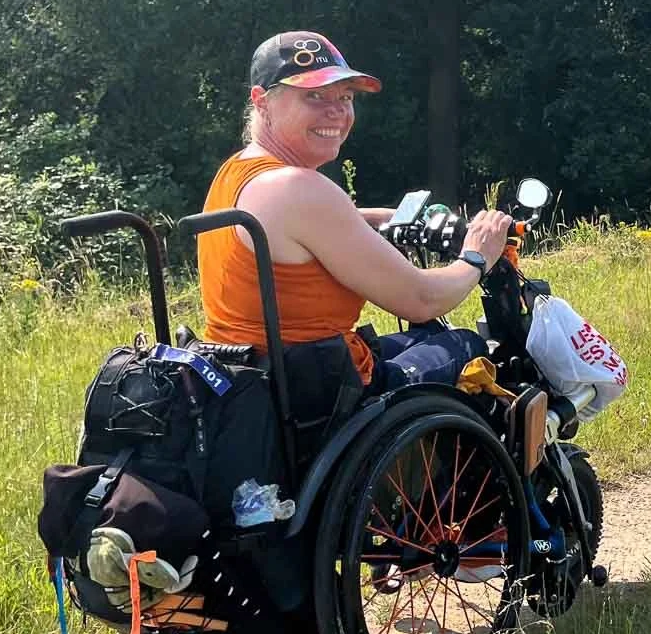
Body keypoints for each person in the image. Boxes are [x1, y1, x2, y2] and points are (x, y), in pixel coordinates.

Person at [197, 32, 513, 407]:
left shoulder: (238, 173)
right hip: (320, 396)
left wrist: (385, 218)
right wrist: (477, 255)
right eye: (314, 96)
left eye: (345, 97)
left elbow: (302, 231)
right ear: (261, 100)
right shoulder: (300, 187)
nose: (336, 111)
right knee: (465, 343)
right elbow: (422, 299)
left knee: (424, 338)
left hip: (256, 384)